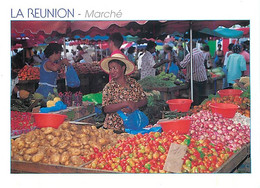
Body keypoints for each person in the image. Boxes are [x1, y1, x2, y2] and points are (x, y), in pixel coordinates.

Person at [100, 53, 147, 132]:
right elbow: (106, 108)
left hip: (133, 125)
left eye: (114, 68)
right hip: (115, 128)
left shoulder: (133, 83)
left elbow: (144, 100)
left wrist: (134, 106)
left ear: (123, 68)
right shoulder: (109, 87)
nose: (112, 71)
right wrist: (125, 103)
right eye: (110, 69)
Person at [178, 41, 207, 106]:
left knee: (195, 99)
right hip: (203, 77)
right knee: (202, 98)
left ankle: (196, 110)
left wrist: (176, 59)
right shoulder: (201, 52)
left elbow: (181, 65)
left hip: (195, 79)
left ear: (188, 46)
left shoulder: (190, 55)